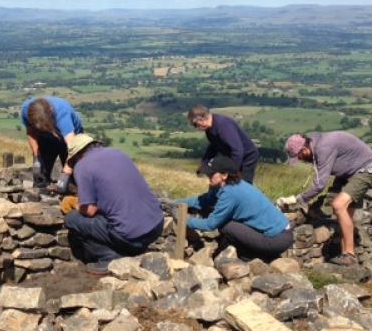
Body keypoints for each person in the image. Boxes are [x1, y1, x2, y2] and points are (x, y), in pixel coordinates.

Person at [63, 134, 164, 275]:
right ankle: (134, 251)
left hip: (131, 236)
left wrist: (77, 205)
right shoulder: (118, 153)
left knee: (72, 219)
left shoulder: (82, 166)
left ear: (76, 156)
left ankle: (108, 257)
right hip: (156, 226)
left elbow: (90, 210)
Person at [278, 131, 372, 266]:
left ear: (304, 149)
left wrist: (297, 199)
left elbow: (320, 184)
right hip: (348, 173)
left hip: (366, 169)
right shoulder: (315, 145)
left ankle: (349, 255)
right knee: (343, 212)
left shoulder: (323, 148)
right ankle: (346, 258)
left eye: (300, 156)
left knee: (339, 205)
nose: (301, 160)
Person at [181, 155, 292, 261]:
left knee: (226, 225)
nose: (208, 176)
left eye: (211, 174)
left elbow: (211, 224)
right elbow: (203, 200)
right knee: (229, 222)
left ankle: (251, 257)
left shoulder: (230, 193)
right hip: (282, 234)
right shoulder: (230, 185)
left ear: (224, 175)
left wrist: (184, 220)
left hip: (276, 239)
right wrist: (176, 203)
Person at [21, 96, 83, 191]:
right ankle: (40, 194)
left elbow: (73, 148)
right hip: (46, 138)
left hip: (70, 140)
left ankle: (74, 194)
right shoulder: (26, 110)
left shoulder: (62, 113)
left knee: (73, 178)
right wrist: (37, 158)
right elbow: (31, 133)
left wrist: (66, 173)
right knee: (40, 175)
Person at [187, 105, 259, 183]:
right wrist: (204, 163)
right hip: (232, 155)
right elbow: (213, 147)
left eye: (195, 124)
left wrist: (232, 172)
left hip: (246, 157)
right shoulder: (210, 129)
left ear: (203, 119)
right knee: (229, 183)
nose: (196, 128)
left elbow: (237, 150)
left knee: (242, 184)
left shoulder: (223, 126)